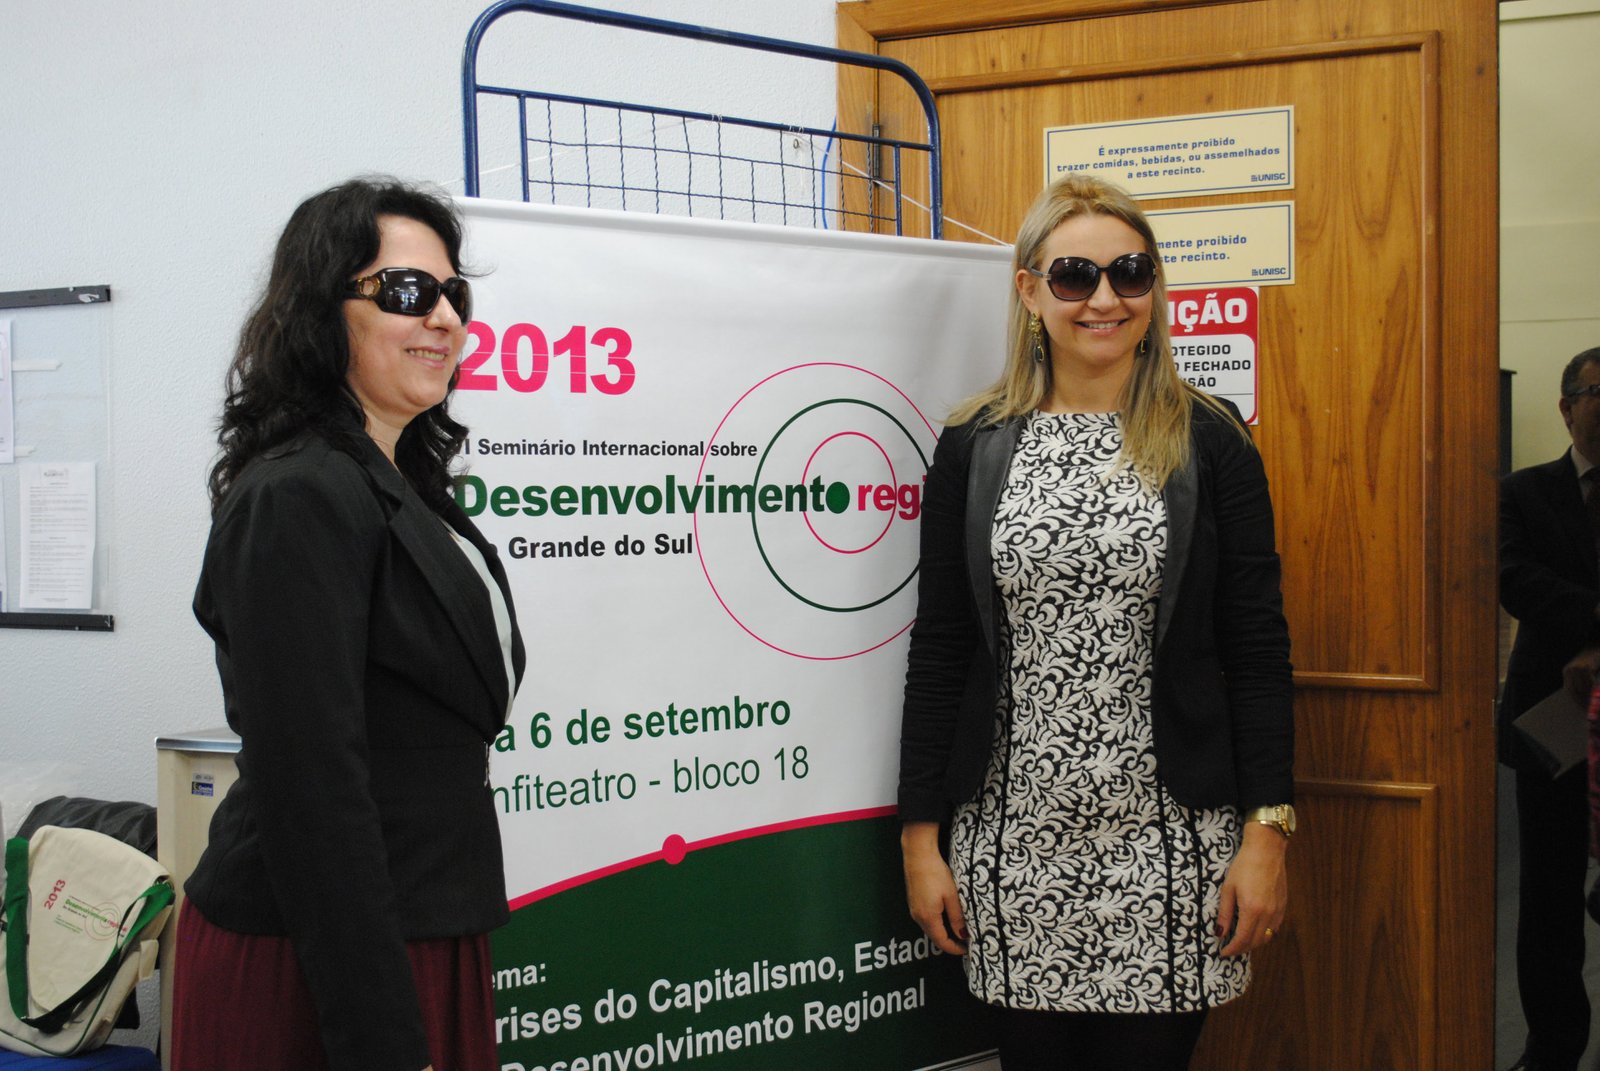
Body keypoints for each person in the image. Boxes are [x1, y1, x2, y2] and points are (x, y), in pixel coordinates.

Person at [897, 173, 1294, 1070]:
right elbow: (941, 649)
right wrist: (921, 837)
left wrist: (1267, 833)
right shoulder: (974, 444)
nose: (1106, 299)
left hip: (1172, 847)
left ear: (1155, 287)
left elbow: (1258, 652)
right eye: (1076, 275)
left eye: (1131, 273)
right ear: (1030, 290)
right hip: (1013, 844)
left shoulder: (1211, 439)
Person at [170, 177, 525, 1071]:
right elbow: (312, 792)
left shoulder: (398, 482)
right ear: (322, 313)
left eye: (453, 293)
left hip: (415, 921)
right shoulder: (300, 492)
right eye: (406, 291)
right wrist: (383, 1042)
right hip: (327, 960)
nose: (442, 317)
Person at [1499, 345, 1600, 1071]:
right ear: (1567, 407)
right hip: (1552, 718)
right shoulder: (1523, 492)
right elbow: (1513, 578)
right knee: (1550, 894)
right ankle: (1553, 1045)